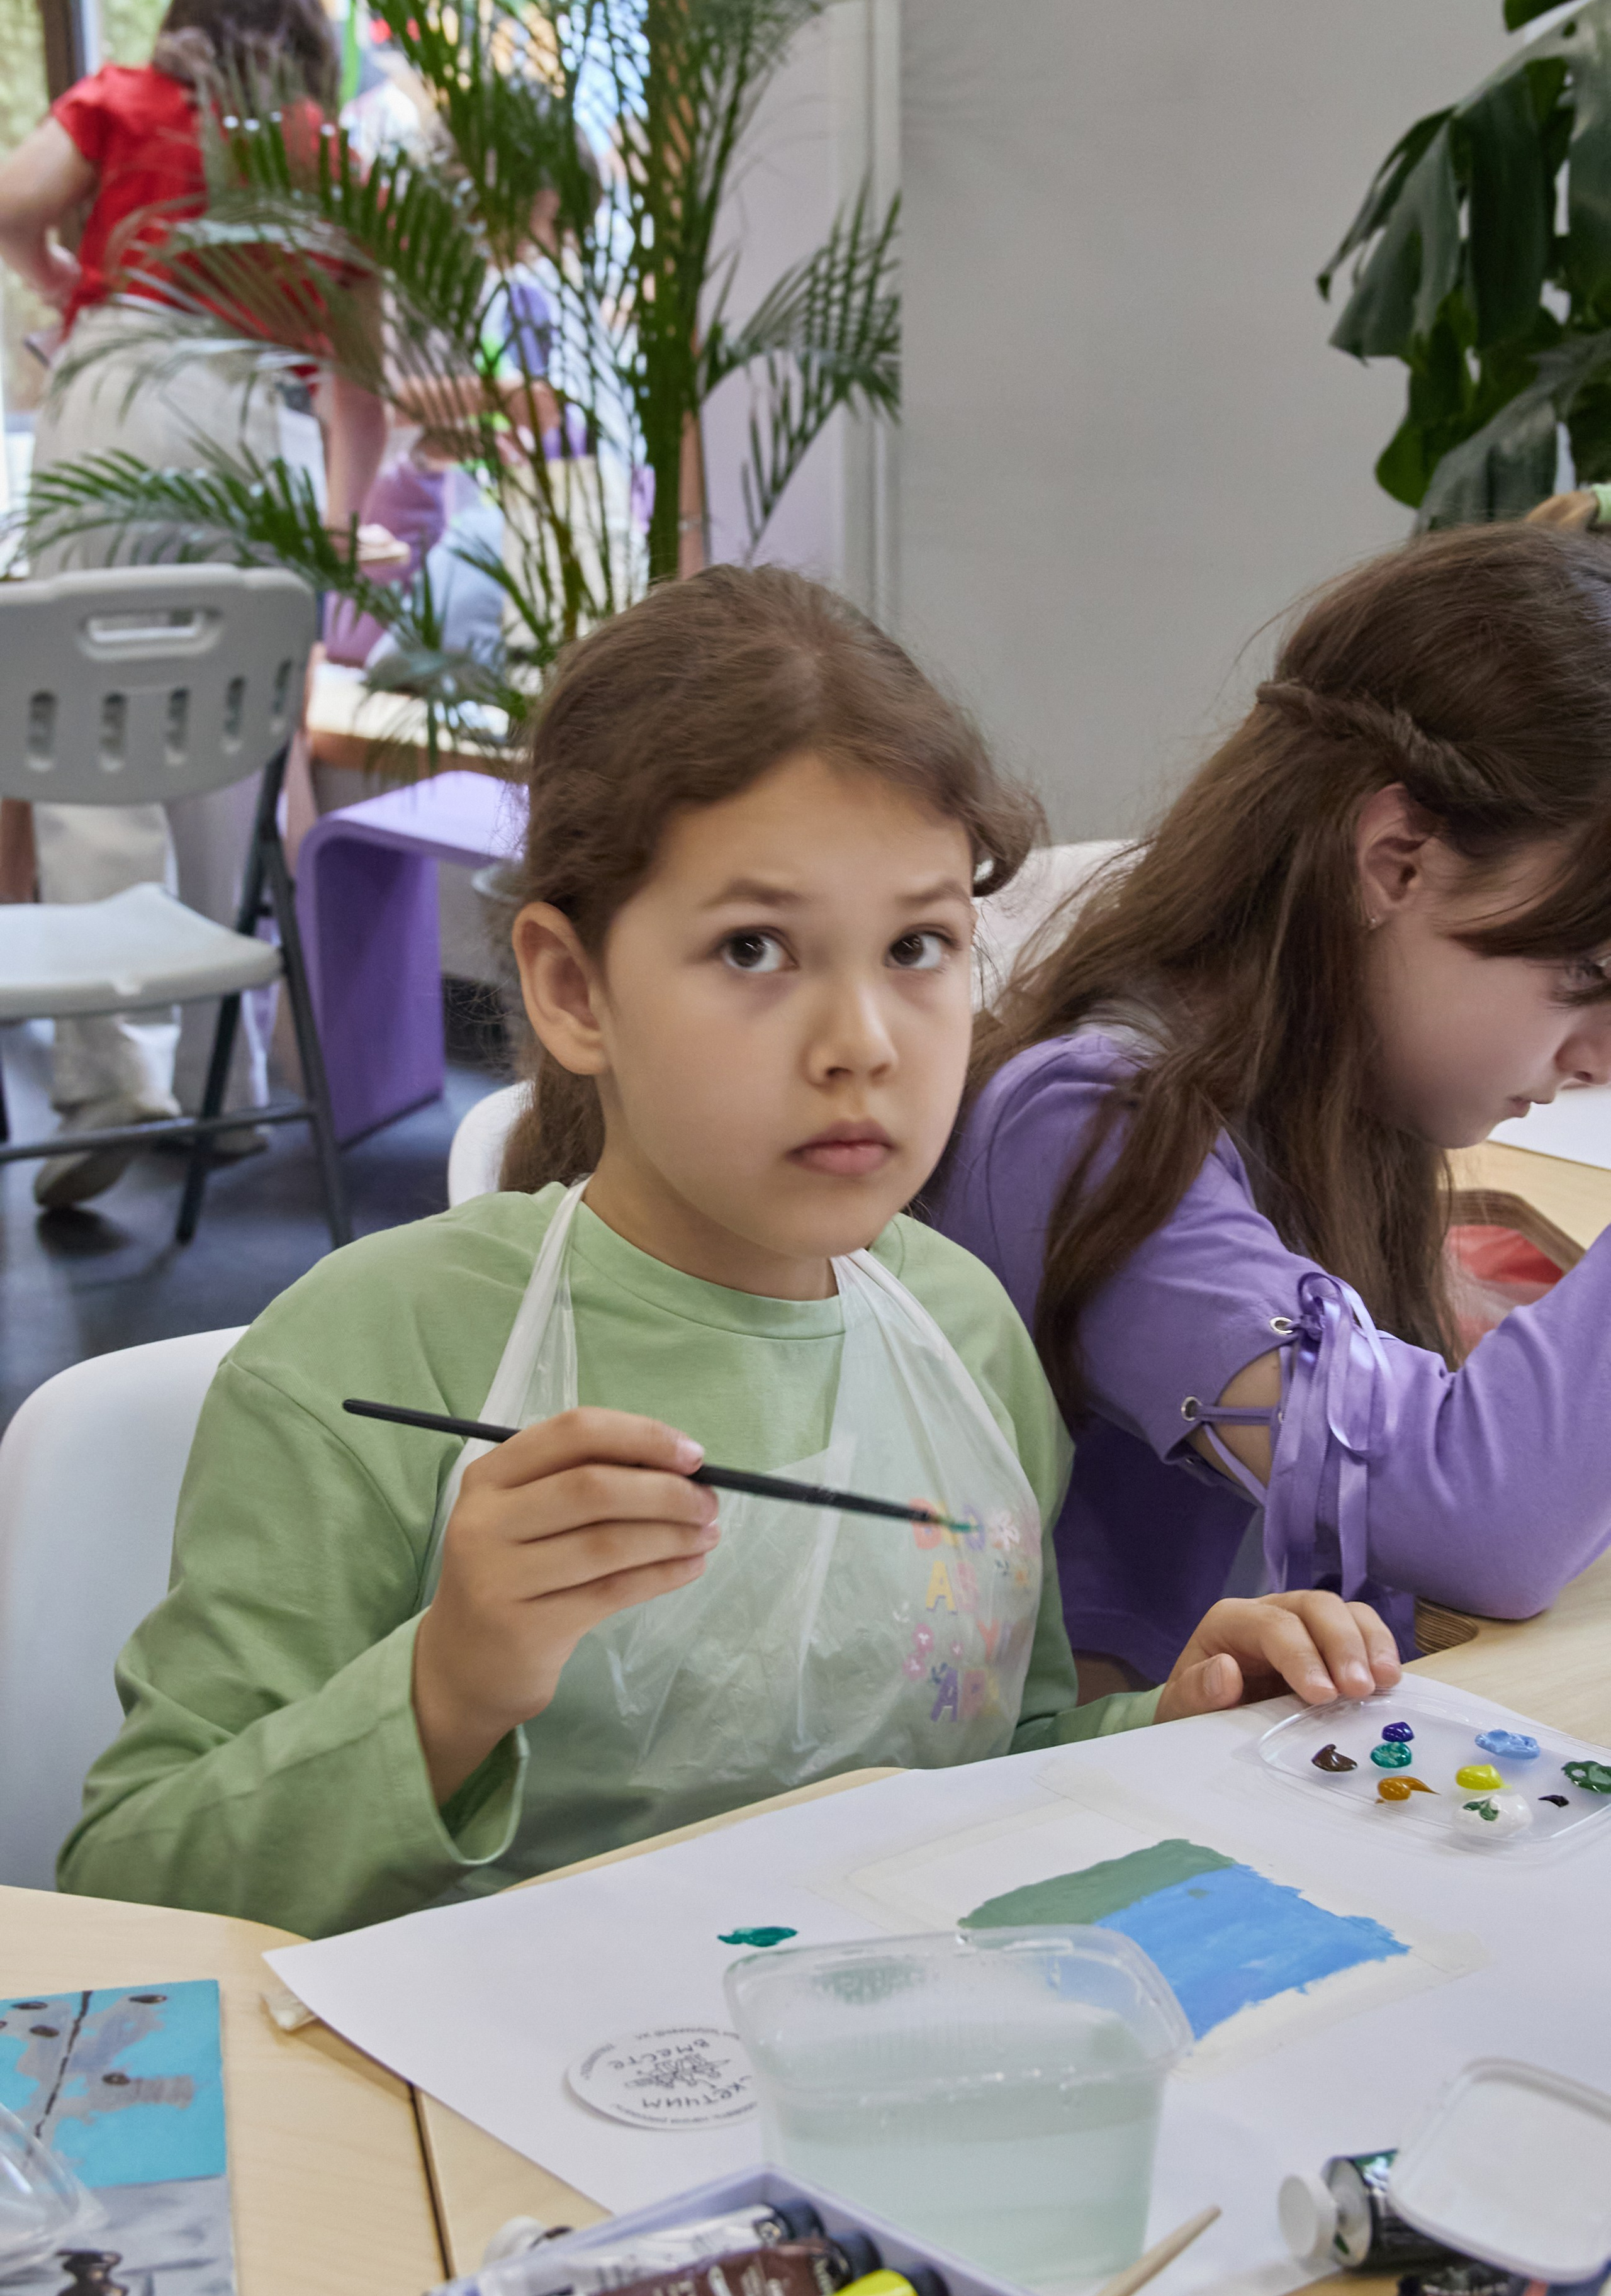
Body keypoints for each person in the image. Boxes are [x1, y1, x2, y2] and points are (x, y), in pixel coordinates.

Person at [57, 566, 1398, 1937]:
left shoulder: (964, 1333)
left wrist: (1163, 1724)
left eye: (919, 945)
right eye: (754, 948)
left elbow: (981, 1764)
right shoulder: (368, 1359)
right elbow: (131, 1888)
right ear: (572, 989)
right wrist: (445, 1686)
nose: (862, 1044)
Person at [935, 523, 1611, 1694]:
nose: (1600, 1055)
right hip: (1111, 1791)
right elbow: (1477, 1520)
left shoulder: (1349, 1099)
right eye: (1585, 975)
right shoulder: (1086, 1124)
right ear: (1396, 860)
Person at [0, 0, 388, 1206]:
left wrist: (68, 284)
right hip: (260, 422)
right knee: (233, 752)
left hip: (121, 391)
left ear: (184, 18)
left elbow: (10, 204)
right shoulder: (328, 158)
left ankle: (116, 1077)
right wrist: (333, 536)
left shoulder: (123, 100)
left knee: (91, 735)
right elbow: (360, 391)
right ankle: (221, 1095)